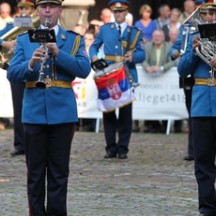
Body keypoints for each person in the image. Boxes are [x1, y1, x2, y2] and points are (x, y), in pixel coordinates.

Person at [7, 0, 91, 214]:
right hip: (34, 113)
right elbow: (12, 73)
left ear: (59, 10)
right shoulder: (25, 39)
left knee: (59, 172)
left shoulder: (73, 39)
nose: (47, 10)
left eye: (52, 6)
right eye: (43, 6)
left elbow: (83, 69)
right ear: (38, 10)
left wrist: (58, 53)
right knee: (34, 173)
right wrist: (31, 64)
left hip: (62, 113)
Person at [89, 0, 145, 159]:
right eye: (116, 11)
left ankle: (123, 148)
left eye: (121, 11)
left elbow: (142, 54)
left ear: (126, 12)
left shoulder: (134, 32)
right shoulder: (105, 29)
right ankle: (110, 147)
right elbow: (94, 46)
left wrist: (134, 56)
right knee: (109, 111)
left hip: (126, 74)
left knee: (126, 113)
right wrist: (93, 56)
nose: (118, 14)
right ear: (113, 13)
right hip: (108, 74)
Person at [177, 2, 216, 215]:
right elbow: (182, 70)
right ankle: (207, 207)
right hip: (201, 105)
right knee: (203, 161)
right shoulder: (195, 35)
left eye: (213, 13)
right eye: (207, 13)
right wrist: (193, 51)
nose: (210, 17)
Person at [0, 0, 36, 156]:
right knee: (19, 109)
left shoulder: (38, 24)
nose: (23, 11)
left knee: (35, 109)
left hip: (35, 70)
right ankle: (20, 144)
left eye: (27, 8)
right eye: (21, 8)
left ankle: (35, 144)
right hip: (17, 70)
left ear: (33, 10)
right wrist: (5, 43)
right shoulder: (12, 25)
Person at [142, 29, 179, 133]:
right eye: (155, 36)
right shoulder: (148, 46)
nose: (157, 38)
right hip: (151, 81)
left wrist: (162, 68)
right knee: (150, 102)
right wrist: (147, 67)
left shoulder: (170, 47)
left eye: (159, 36)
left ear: (163, 38)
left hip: (165, 81)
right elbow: (143, 59)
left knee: (165, 103)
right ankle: (152, 125)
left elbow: (175, 61)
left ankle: (165, 125)